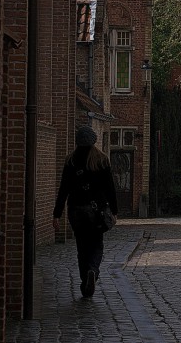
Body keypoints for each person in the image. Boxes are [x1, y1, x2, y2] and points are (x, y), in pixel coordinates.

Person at [52, 126, 118, 298]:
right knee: (96, 244)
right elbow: (110, 189)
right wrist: (115, 211)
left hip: (76, 211)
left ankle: (84, 281)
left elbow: (63, 190)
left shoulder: (70, 161)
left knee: (82, 247)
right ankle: (93, 271)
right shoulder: (102, 160)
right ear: (94, 141)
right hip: (97, 211)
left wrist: (56, 214)